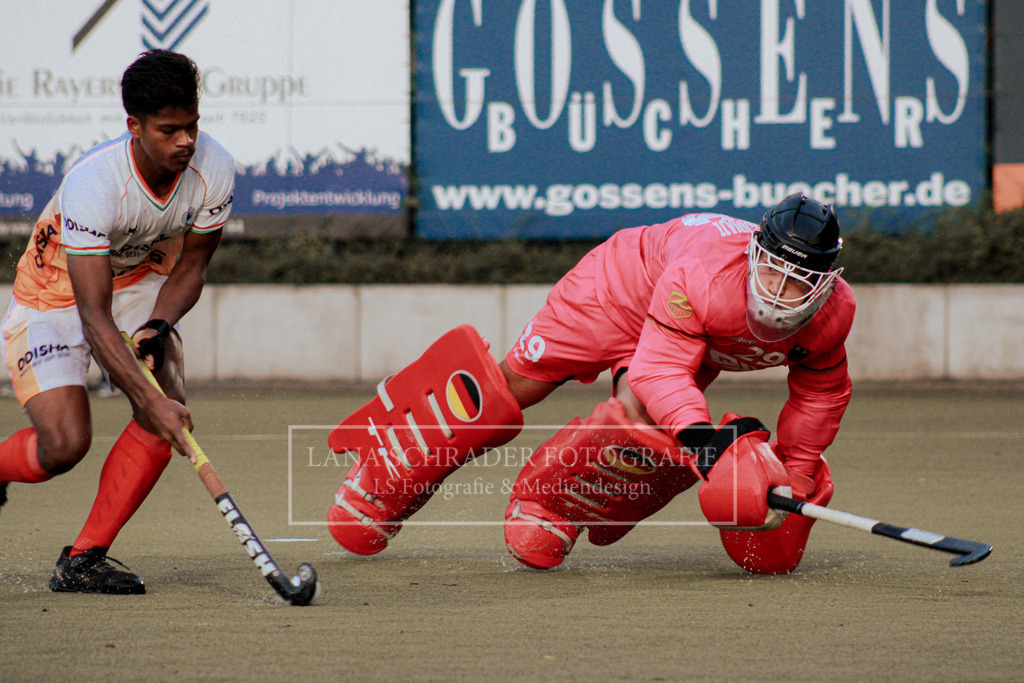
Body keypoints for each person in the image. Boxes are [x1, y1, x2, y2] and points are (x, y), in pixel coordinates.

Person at [326, 193, 855, 574]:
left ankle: (552, 506)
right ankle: (386, 467)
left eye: (800, 280)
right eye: (772, 272)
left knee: (638, 427)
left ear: (828, 282)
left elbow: (821, 394)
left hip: (684, 336)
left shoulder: (834, 315)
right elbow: (659, 369)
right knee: (515, 390)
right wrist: (701, 440)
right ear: (753, 254)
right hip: (617, 290)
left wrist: (800, 475)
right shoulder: (704, 276)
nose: (781, 292)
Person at [0, 49, 235, 594]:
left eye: (192, 126)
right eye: (169, 130)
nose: (185, 142)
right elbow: (92, 314)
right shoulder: (96, 183)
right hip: (55, 294)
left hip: (139, 282)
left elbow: (193, 265)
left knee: (167, 385)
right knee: (64, 446)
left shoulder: (214, 169)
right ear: (134, 126)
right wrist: (151, 401)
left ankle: (83, 560)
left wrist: (158, 326)